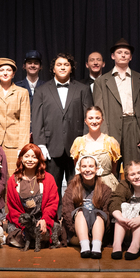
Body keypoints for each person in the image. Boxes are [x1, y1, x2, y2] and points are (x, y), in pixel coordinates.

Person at [32, 53, 94, 196]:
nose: (62, 67)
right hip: (51, 146)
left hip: (76, 146)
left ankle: (73, 215)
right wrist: (40, 144)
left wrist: (85, 142)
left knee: (76, 187)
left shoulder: (82, 89)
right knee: (52, 187)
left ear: (71, 68)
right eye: (59, 65)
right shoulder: (41, 90)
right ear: (53, 69)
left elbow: (88, 117)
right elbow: (37, 119)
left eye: (66, 65)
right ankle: (54, 216)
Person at [93, 38, 140, 169]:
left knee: (133, 168)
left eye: (126, 53)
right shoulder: (101, 81)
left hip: (133, 126)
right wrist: (103, 134)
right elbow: (99, 110)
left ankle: (132, 190)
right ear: (113, 56)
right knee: (110, 168)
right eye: (119, 52)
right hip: (110, 126)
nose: (123, 55)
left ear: (130, 57)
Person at [0, 57, 31, 173]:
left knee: (12, 177)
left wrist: (22, 147)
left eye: (8, 70)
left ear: (13, 73)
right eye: (2, 70)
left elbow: (24, 121)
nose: (5, 73)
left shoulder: (22, 92)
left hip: (14, 142)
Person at [6, 144, 60, 248]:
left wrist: (45, 220)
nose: (30, 160)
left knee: (49, 233)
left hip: (41, 220)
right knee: (16, 236)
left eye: (34, 157)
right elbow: (13, 209)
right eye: (26, 156)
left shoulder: (49, 179)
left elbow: (52, 204)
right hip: (22, 223)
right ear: (21, 158)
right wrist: (25, 226)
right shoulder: (13, 181)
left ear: (39, 159)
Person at [106, 160, 140, 260]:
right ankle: (117, 244)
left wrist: (139, 219)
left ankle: (135, 245)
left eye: (139, 173)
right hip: (125, 225)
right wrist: (121, 218)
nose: (137, 177)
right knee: (123, 206)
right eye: (132, 174)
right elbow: (115, 201)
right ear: (127, 177)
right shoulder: (124, 185)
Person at [60, 155, 113, 258]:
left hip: (98, 231)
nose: (87, 170)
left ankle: (96, 247)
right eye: (84, 166)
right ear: (79, 169)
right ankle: (85, 247)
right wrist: (75, 230)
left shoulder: (105, 189)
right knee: (80, 211)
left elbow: (108, 212)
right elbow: (66, 210)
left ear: (97, 169)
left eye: (91, 166)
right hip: (76, 232)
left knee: (98, 213)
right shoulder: (72, 187)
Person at [69, 106, 122, 191]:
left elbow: (114, 169)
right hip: (85, 187)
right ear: (85, 121)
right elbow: (77, 166)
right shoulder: (79, 142)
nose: (94, 121)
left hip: (107, 186)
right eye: (90, 118)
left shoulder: (111, 142)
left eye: (97, 118)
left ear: (102, 120)